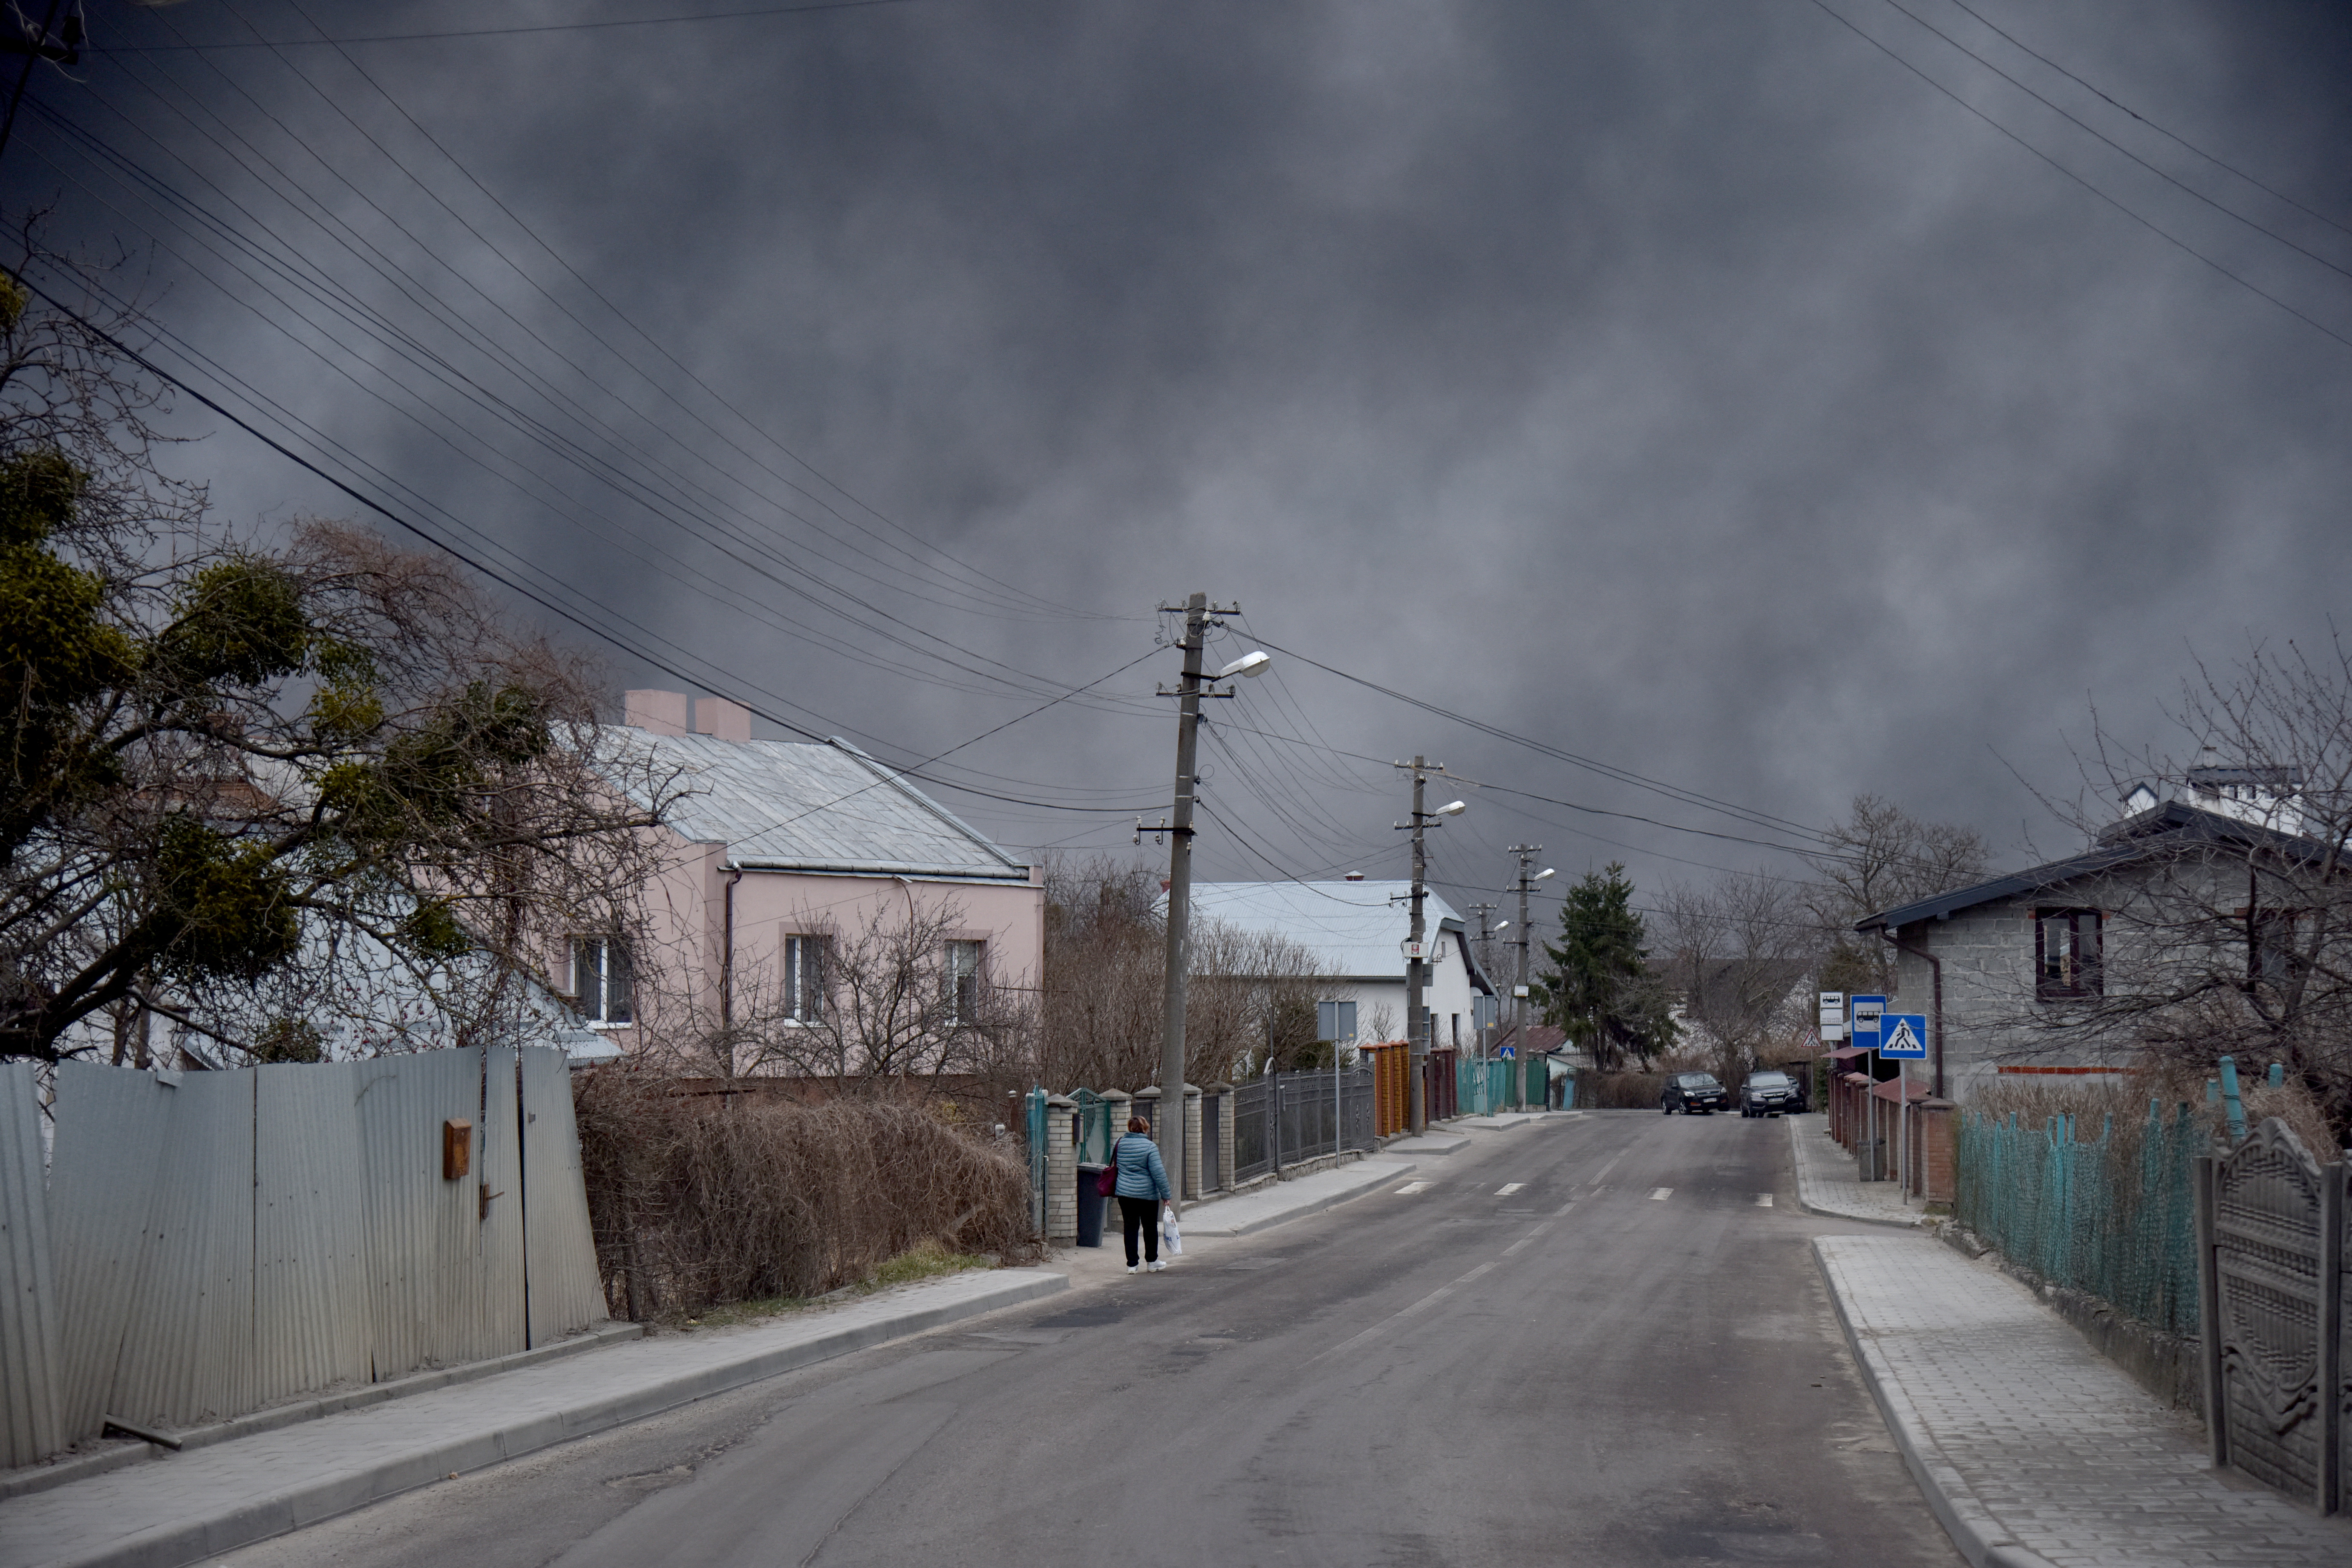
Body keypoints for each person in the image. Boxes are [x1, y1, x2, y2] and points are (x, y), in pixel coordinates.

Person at [1109, 1115, 1172, 1273]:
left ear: (1130, 1128)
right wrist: (1166, 1195)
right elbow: (1158, 1173)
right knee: (1150, 1228)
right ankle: (1152, 1262)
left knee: (1130, 1227)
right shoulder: (1150, 1147)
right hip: (1147, 1195)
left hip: (1125, 1194)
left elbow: (1115, 1164)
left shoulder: (1119, 1144)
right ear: (1145, 1129)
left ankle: (1132, 1265)